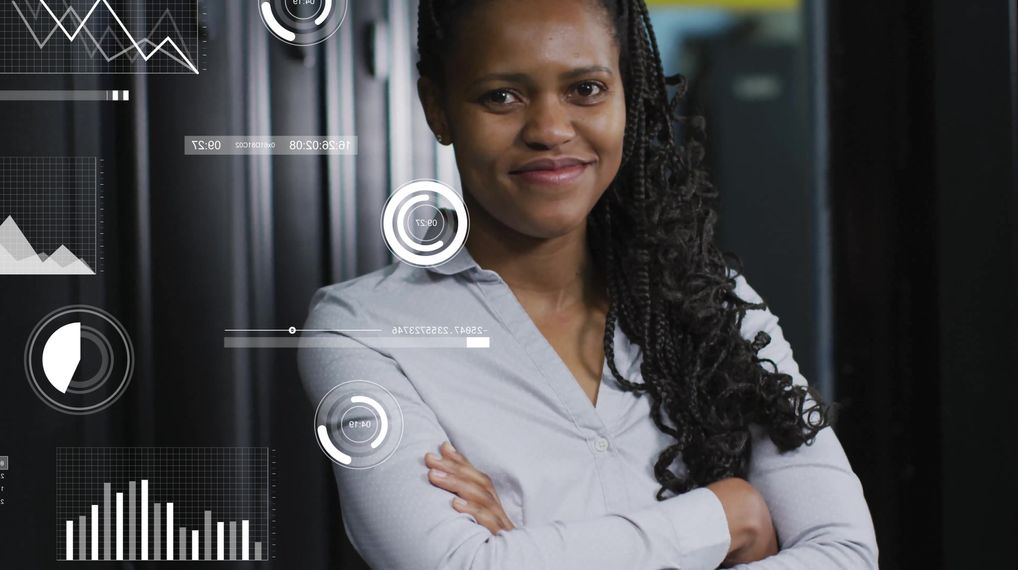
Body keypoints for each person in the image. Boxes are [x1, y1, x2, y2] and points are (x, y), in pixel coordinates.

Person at [298, 0, 878, 568]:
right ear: (438, 108)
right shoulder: (364, 333)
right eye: (502, 95)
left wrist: (530, 546)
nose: (551, 129)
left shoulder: (715, 302)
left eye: (586, 89)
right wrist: (728, 519)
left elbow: (846, 555)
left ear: (627, 94)